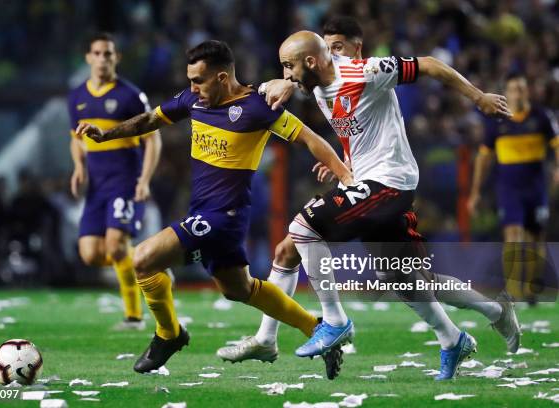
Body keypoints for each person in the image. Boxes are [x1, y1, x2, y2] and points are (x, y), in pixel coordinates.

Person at [218, 18, 522, 379]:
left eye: (336, 46)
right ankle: (474, 323)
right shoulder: (317, 86)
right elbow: (350, 125)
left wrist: (479, 97)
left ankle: (331, 322)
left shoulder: (368, 71)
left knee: (302, 229)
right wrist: (343, 161)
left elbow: (429, 64)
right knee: (406, 277)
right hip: (366, 181)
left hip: (390, 181)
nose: (332, 52)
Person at [75, 40, 354, 377]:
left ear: (222, 77)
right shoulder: (194, 100)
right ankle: (317, 329)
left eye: (199, 80)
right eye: (190, 80)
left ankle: (169, 334)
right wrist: (106, 135)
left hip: (224, 216)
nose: (192, 88)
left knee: (144, 259)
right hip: (205, 211)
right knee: (239, 289)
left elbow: (310, 139)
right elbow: (149, 120)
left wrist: (346, 177)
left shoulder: (258, 107)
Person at [67, 32, 161, 330]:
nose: (102, 58)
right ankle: (148, 264)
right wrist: (78, 166)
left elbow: (152, 139)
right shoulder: (77, 97)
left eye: (108, 53)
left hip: (124, 179)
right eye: (97, 53)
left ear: (116, 57)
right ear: (88, 57)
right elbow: (75, 139)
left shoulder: (131, 95)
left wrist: (144, 179)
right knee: (91, 254)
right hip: (96, 183)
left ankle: (133, 316)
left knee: (116, 245)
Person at [468, 72, 559, 304]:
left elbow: (557, 144)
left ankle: (530, 289)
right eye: (512, 89)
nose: (517, 93)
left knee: (535, 238)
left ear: (526, 91)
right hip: (509, 188)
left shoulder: (541, 117)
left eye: (520, 89)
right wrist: (475, 192)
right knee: (513, 236)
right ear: (506, 93)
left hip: (536, 187)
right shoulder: (498, 121)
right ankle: (513, 291)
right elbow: (483, 158)